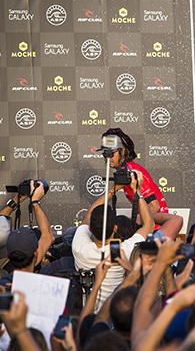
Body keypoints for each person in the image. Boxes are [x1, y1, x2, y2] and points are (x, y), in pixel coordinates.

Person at [72, 170, 155, 311]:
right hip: (114, 313)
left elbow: (88, 215)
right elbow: (149, 225)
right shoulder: (121, 252)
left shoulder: (79, 247)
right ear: (115, 228)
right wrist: (137, 192)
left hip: (88, 314)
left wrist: (113, 190)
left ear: (90, 230)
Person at [99, 128, 168, 215]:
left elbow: (154, 207)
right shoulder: (126, 169)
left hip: (156, 225)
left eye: (111, 153)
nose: (108, 158)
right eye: (105, 154)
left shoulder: (131, 172)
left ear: (123, 151)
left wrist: (134, 224)